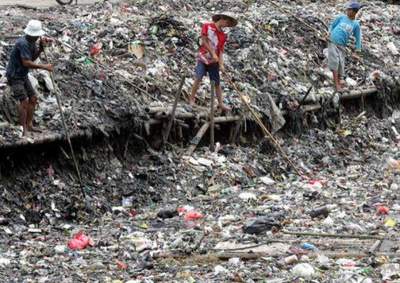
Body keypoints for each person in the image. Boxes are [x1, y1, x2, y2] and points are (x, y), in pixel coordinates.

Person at [6, 20, 53, 136]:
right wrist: (44, 67)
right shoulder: (23, 43)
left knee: (33, 98)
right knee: (24, 101)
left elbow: (32, 57)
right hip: (15, 75)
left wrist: (41, 48)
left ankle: (30, 125)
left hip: (23, 74)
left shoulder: (32, 42)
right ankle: (23, 129)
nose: (38, 37)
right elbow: (26, 62)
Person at [189, 14, 237, 111]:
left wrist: (221, 64)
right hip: (203, 58)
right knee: (198, 77)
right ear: (222, 19)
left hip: (214, 62)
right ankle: (191, 99)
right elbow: (204, 41)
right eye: (227, 22)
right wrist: (212, 53)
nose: (226, 25)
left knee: (216, 83)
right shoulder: (207, 26)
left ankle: (220, 104)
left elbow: (221, 51)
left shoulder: (223, 35)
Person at [328, 1, 362, 92]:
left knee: (341, 64)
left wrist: (358, 49)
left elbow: (358, 38)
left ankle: (339, 82)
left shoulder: (355, 24)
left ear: (354, 12)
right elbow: (332, 25)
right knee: (335, 62)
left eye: (349, 9)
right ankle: (337, 86)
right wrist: (329, 32)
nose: (347, 10)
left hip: (342, 45)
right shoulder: (341, 17)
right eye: (347, 9)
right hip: (332, 41)